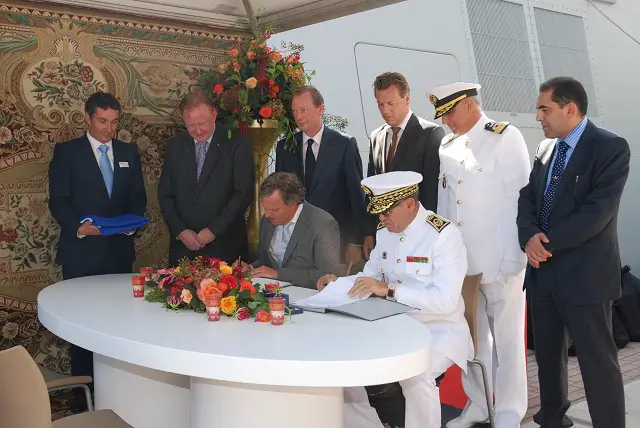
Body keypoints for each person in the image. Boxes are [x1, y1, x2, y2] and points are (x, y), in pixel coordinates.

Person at [317, 171, 473, 428]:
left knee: (417, 375)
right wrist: (337, 283)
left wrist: (390, 290)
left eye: (386, 211)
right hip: (391, 325)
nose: (381, 218)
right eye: (378, 213)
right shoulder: (385, 231)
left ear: (410, 204)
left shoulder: (443, 234)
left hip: (439, 328)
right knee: (343, 364)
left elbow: (445, 301)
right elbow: (368, 278)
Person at [517, 77, 629, 428]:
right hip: (544, 276)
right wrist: (529, 235)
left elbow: (597, 213)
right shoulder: (545, 150)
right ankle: (551, 418)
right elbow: (528, 198)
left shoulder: (610, 148)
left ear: (570, 108)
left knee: (597, 362)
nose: (538, 117)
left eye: (544, 109)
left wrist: (543, 244)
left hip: (586, 278)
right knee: (548, 359)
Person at [427, 82, 530, 428]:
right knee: (473, 341)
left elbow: (521, 200)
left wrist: (515, 255)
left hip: (501, 259)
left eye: (450, 113)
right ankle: (479, 405)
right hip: (465, 264)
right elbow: (445, 206)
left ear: (470, 105)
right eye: (442, 116)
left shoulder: (504, 136)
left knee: (508, 342)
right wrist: (444, 258)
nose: (447, 122)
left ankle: (509, 413)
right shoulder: (447, 144)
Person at [48, 91, 147, 401]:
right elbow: (59, 201)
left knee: (118, 324)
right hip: (81, 255)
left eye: (114, 122)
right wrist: (79, 227)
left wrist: (133, 225)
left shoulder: (129, 152)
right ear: (88, 118)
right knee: (83, 327)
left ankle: (118, 394)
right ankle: (84, 397)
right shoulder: (67, 152)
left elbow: (137, 198)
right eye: (103, 121)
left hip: (118, 253)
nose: (109, 129)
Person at [158, 91, 254, 265]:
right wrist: (180, 231)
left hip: (225, 247)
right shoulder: (175, 146)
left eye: (202, 123)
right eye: (191, 125)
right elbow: (165, 194)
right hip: (184, 249)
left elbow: (242, 194)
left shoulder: (237, 144)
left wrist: (213, 230)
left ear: (214, 114)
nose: (198, 130)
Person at [275, 85, 365, 265]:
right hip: (295, 245)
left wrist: (355, 241)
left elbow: (357, 196)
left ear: (320, 109)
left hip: (335, 241)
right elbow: (281, 197)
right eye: (294, 111)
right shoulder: (284, 147)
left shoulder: (344, 144)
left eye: (303, 110)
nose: (298, 116)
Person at [364, 72, 445, 260]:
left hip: (417, 235)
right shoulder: (376, 137)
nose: (385, 110)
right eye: (380, 104)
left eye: (391, 103)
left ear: (407, 99)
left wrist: (426, 236)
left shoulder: (430, 134)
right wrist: (368, 231)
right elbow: (370, 191)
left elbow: (431, 193)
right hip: (385, 235)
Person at [250, 172, 340, 289]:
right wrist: (251, 268)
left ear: (293, 203)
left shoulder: (323, 224)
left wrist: (278, 274)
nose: (267, 215)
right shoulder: (266, 222)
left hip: (307, 296)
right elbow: (264, 261)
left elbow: (325, 276)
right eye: (265, 209)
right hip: (270, 295)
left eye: (274, 209)